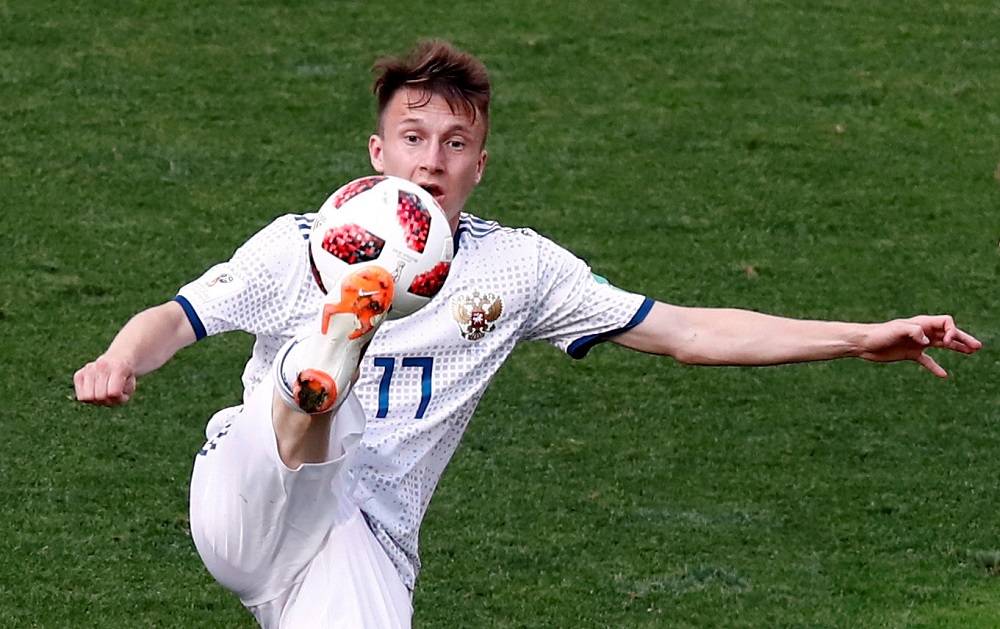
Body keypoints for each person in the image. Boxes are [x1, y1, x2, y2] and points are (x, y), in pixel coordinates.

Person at [73, 40, 982, 628]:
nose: (434, 158)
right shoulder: (299, 243)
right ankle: (339, 342)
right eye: (414, 135)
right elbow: (176, 319)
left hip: (364, 541)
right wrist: (119, 358)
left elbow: (691, 330)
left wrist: (860, 336)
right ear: (377, 154)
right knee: (314, 408)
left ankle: (335, 353)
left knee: (340, 450)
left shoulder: (520, 271)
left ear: (481, 161)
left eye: (456, 142)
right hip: (248, 496)